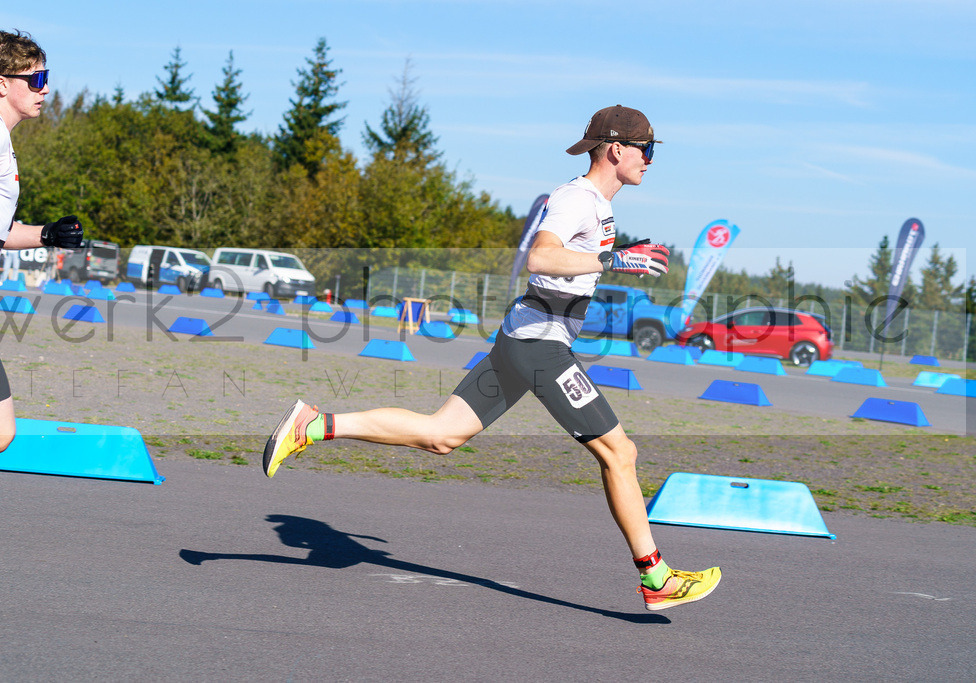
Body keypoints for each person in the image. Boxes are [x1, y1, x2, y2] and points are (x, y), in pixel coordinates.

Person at [262, 105, 721, 612]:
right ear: (617, 149)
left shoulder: (596, 204)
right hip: (539, 345)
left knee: (441, 436)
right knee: (621, 453)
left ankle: (314, 424)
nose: (650, 160)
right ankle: (655, 577)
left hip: (524, 337)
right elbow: (541, 257)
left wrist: (613, 258)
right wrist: (615, 259)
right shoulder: (578, 200)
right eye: (647, 149)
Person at [0, 30, 83, 454]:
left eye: (45, 77)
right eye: (36, 79)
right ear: (2, 84)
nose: (44, 89)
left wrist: (45, 235)